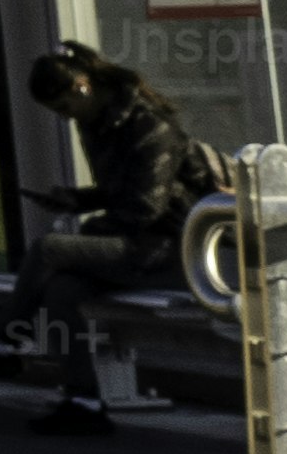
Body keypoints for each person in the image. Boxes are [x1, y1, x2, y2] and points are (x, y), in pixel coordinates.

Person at [18, 40, 223, 432]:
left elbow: (147, 208)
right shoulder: (94, 124)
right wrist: (76, 201)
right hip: (135, 247)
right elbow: (122, 192)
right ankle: (84, 402)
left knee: (49, 249)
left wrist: (93, 226)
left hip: (171, 248)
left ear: (82, 87)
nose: (64, 118)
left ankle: (4, 338)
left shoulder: (150, 126)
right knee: (62, 289)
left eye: (63, 108)